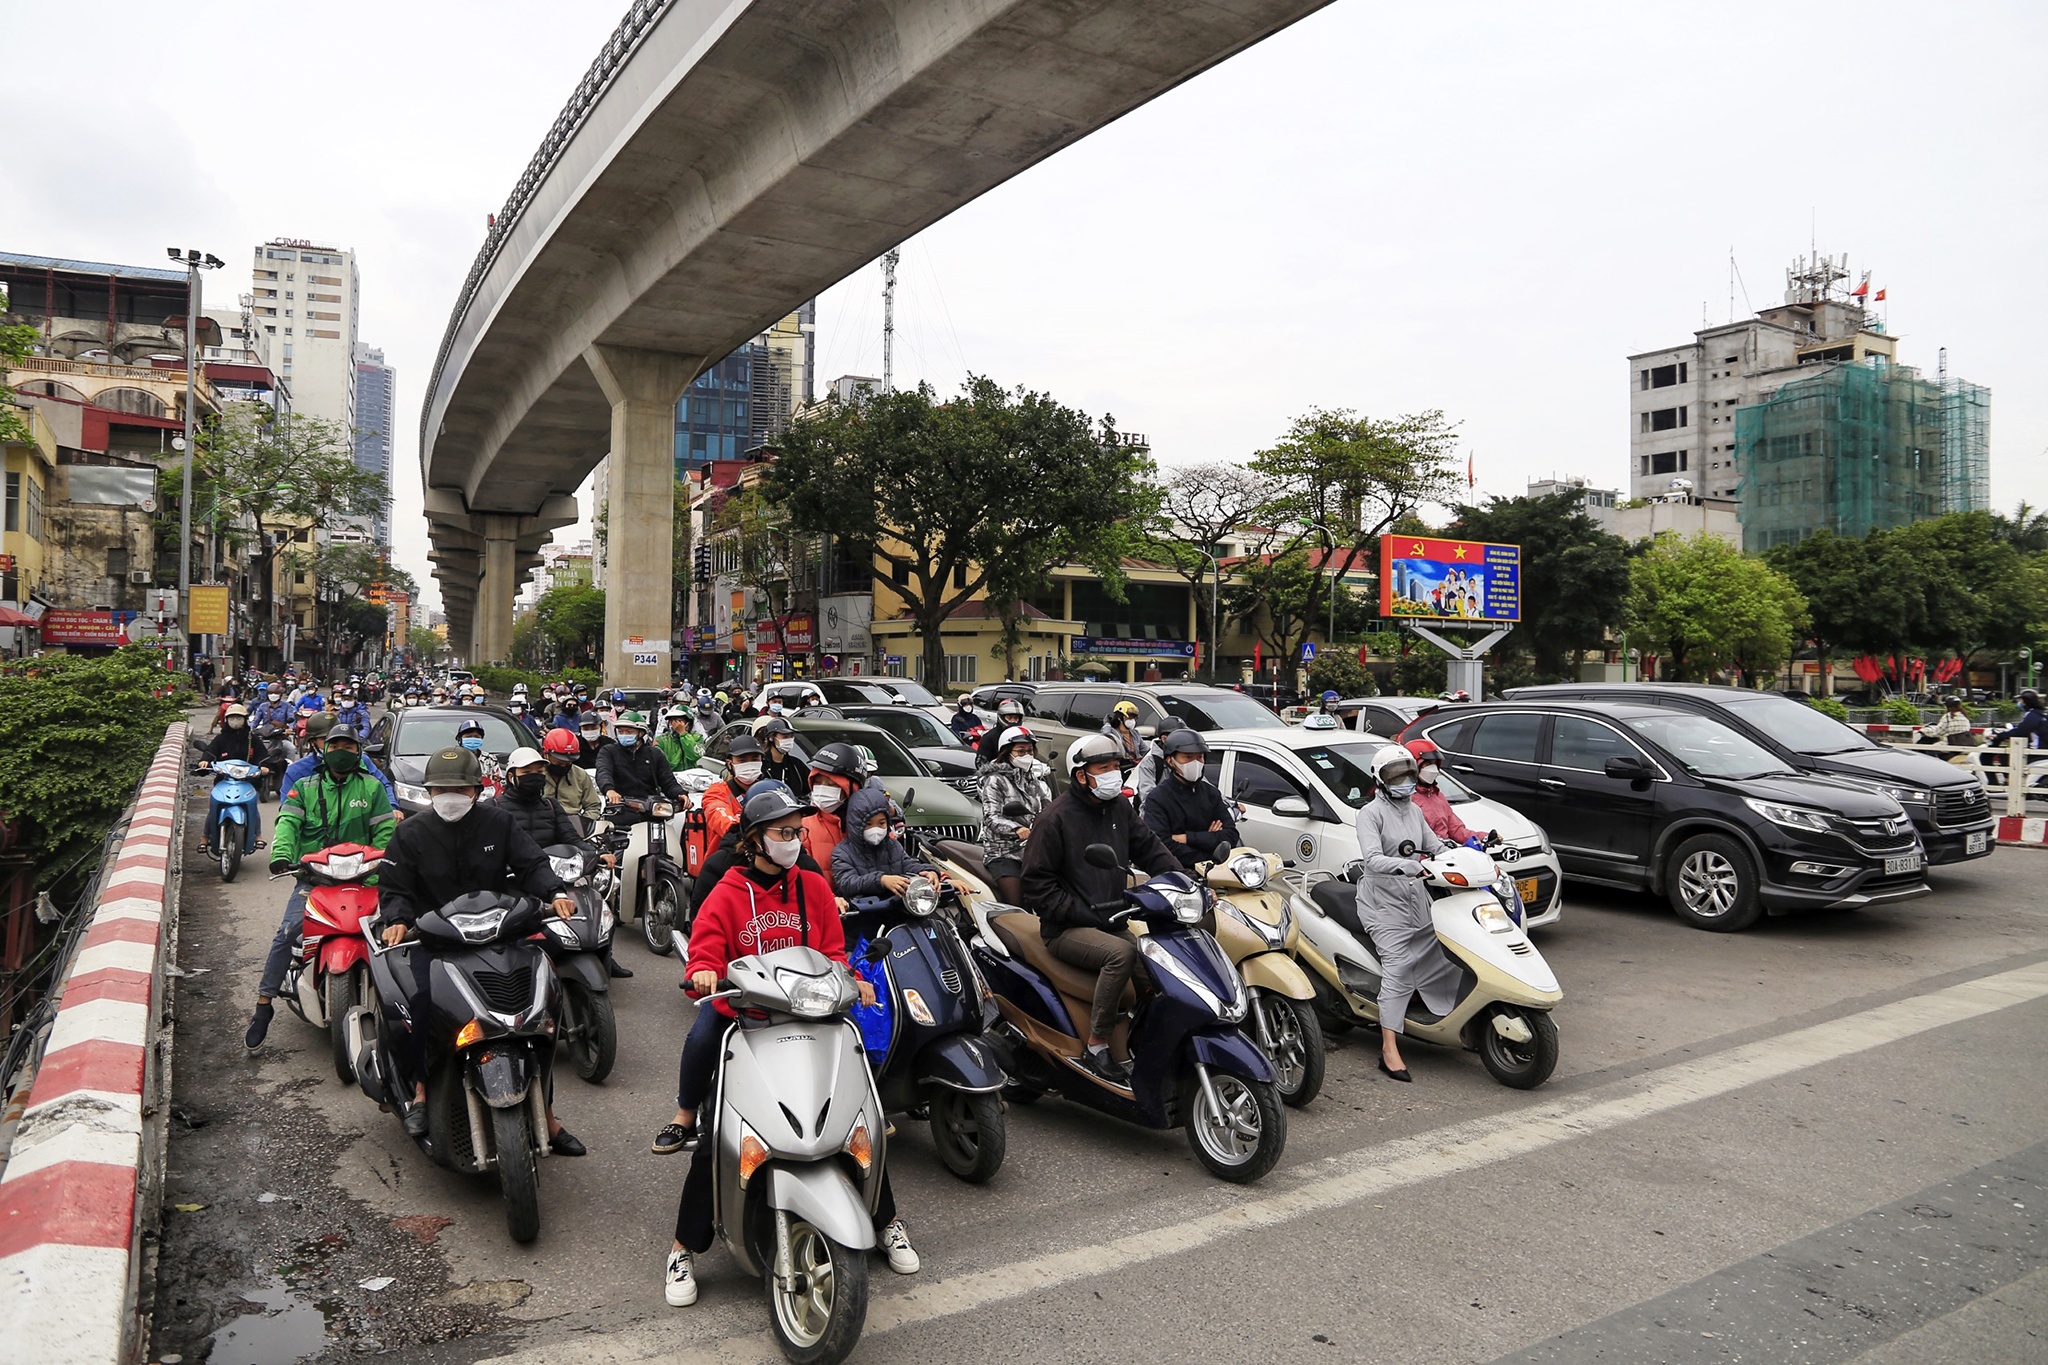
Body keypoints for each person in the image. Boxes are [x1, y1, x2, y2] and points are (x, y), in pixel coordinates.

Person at [658, 785, 917, 1307]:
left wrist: (850, 976)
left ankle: (885, 1219)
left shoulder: (813, 887)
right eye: (783, 832)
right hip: (748, 1020)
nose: (794, 841)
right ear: (754, 840)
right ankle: (684, 1242)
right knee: (719, 1131)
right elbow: (704, 946)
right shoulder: (728, 892)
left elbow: (831, 948)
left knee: (856, 1122)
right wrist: (705, 971)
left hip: (810, 1015)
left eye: (798, 831)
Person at [374, 746, 587, 1151]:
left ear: (477, 789)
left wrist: (556, 891)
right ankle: (420, 1090)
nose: (449, 796)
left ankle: (548, 1117)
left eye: (460, 788)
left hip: (498, 932)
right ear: (429, 792)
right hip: (435, 939)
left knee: (538, 1008)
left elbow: (532, 864)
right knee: (420, 1003)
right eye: (440, 788)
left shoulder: (498, 822)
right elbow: (394, 887)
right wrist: (399, 919)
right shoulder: (410, 832)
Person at [1019, 732, 1182, 1085]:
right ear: (1082, 775)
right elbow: (1035, 885)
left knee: (1157, 961)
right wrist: (1080, 912)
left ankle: (1147, 1040)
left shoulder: (1118, 807)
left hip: (1110, 918)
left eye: (1116, 767)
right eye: (1104, 768)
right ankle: (1097, 1045)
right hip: (1065, 929)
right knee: (1121, 954)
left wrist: (1184, 882)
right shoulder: (1054, 819)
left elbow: (1149, 848)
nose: (1114, 774)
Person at [244, 724, 396, 1050]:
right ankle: (263, 1004)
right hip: (314, 879)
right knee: (287, 933)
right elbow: (287, 823)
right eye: (335, 745)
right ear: (324, 750)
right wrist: (282, 855)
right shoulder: (304, 786)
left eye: (349, 746)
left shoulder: (372, 789)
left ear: (358, 753)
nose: (342, 751)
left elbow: (385, 834)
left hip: (365, 879)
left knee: (396, 934)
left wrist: (382, 867)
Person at [1354, 745, 1459, 1083]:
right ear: (1380, 780)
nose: (1404, 781)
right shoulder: (1370, 814)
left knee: (1447, 954)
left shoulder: (1414, 810)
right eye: (1395, 776)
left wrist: (1462, 857)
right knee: (1398, 967)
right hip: (1383, 903)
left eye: (1408, 774)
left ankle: (1449, 1019)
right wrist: (1409, 866)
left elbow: (1435, 845)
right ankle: (1388, 1047)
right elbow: (1371, 859)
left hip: (1417, 897)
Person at [1139, 729, 1239, 870]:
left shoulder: (1211, 793)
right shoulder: (1158, 798)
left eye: (1200, 757)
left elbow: (1230, 836)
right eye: (1188, 757)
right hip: (1177, 874)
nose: (1195, 762)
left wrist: (1188, 838)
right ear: (1170, 761)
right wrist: (1209, 844)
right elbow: (1163, 846)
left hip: (1217, 871)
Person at [977, 725, 1051, 906]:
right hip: (1003, 852)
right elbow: (991, 817)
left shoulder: (1031, 778)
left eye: (1030, 750)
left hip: (1031, 849)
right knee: (1017, 904)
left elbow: (1046, 806)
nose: (1026, 755)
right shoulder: (995, 779)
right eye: (1020, 751)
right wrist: (1017, 829)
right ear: (1007, 752)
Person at [832, 783, 938, 899]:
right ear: (855, 824)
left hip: (898, 907)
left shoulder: (893, 846)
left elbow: (908, 864)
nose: (876, 829)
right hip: (863, 912)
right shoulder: (842, 852)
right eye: (868, 824)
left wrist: (928, 872)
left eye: (881, 823)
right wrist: (881, 880)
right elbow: (847, 883)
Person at [196, 704, 274, 856]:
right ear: (226, 720)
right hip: (224, 780)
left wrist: (264, 766)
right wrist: (204, 761)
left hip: (247, 780)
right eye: (232, 718)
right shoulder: (221, 739)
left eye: (239, 718)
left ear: (245, 720)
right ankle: (205, 837)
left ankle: (257, 835)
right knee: (214, 806)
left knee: (253, 806)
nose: (235, 721)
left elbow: (263, 756)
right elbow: (210, 752)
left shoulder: (252, 739)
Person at [281, 711, 398, 804]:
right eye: (325, 740)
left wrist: (392, 808)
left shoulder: (361, 760)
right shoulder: (296, 771)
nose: (332, 746)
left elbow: (384, 786)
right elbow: (288, 812)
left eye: (335, 739)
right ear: (312, 742)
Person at [799, 742, 868, 885]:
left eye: (831, 784)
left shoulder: (870, 823)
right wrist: (830, 899)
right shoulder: (804, 826)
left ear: (852, 788)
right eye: (818, 782)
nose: (822, 789)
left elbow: (894, 860)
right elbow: (804, 878)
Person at [1404, 738, 1492, 848]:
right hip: (1422, 860)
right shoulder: (1405, 799)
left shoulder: (1438, 796)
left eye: (1435, 764)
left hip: (1443, 857)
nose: (1433, 769)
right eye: (1427, 764)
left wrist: (1483, 837)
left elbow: (1456, 829)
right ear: (1412, 767)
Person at [596, 711, 684, 816]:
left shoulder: (654, 754)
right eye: (620, 731)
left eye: (629, 732)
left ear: (641, 733)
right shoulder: (608, 751)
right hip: (620, 807)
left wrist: (680, 793)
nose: (624, 735)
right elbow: (603, 771)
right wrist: (609, 790)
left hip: (651, 808)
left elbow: (668, 781)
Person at [700, 731, 766, 850]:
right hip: (728, 857)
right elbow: (719, 816)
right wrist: (738, 830)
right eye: (742, 760)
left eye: (755, 759)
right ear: (730, 764)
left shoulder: (768, 790)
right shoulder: (716, 792)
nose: (749, 764)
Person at [541, 726, 604, 827]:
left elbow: (593, 806)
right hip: (542, 826)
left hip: (573, 826)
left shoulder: (580, 775)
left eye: (568, 762)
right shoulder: (535, 775)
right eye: (559, 762)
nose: (563, 766)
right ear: (546, 754)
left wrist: (583, 823)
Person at [454, 715, 505, 795]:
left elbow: (499, 782)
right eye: (469, 736)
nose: (473, 739)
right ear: (460, 739)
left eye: (477, 737)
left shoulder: (490, 759)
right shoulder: (453, 758)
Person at [754, 716, 807, 789]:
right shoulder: (760, 765)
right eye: (785, 737)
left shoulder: (797, 765)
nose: (789, 740)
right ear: (771, 737)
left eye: (791, 736)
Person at [976, 698, 1028, 765]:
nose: (1013, 721)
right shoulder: (989, 738)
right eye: (1009, 717)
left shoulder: (1023, 737)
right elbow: (980, 763)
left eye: (1016, 718)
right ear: (1001, 717)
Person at [656, 706, 704, 772]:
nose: (675, 725)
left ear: (688, 723)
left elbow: (694, 756)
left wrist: (683, 734)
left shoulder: (697, 737)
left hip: (691, 777)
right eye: (672, 721)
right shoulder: (661, 740)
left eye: (678, 721)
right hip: (669, 777)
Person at [1101, 700, 1143, 765]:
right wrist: (1107, 724)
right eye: (1129, 717)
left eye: (1133, 718)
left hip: (1133, 768)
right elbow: (1105, 738)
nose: (1132, 720)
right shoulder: (1113, 732)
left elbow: (1146, 751)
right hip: (1119, 767)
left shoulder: (1135, 734)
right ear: (1119, 718)